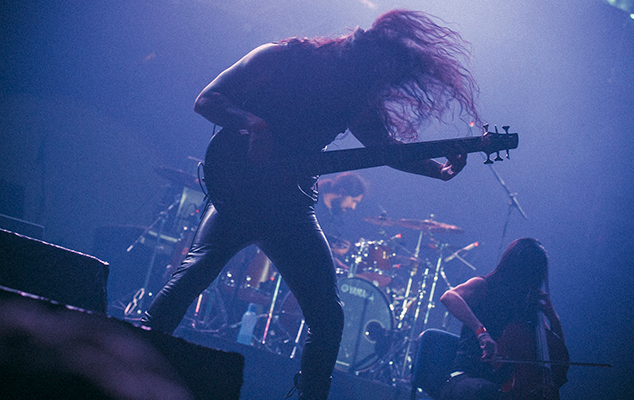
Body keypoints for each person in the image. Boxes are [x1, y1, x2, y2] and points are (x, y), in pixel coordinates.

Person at [142, 9, 478, 400]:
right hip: (241, 194)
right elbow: (207, 100)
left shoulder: (355, 94)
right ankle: (130, 358)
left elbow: (386, 150)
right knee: (193, 274)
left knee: (328, 317)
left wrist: (439, 171)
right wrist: (253, 123)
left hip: (289, 208)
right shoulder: (280, 57)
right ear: (349, 62)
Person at [438, 238, 568, 400]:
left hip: (506, 386)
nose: (528, 282)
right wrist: (481, 332)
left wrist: (553, 318)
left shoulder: (529, 304)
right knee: (486, 392)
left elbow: (553, 353)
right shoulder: (484, 285)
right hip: (467, 377)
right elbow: (449, 297)